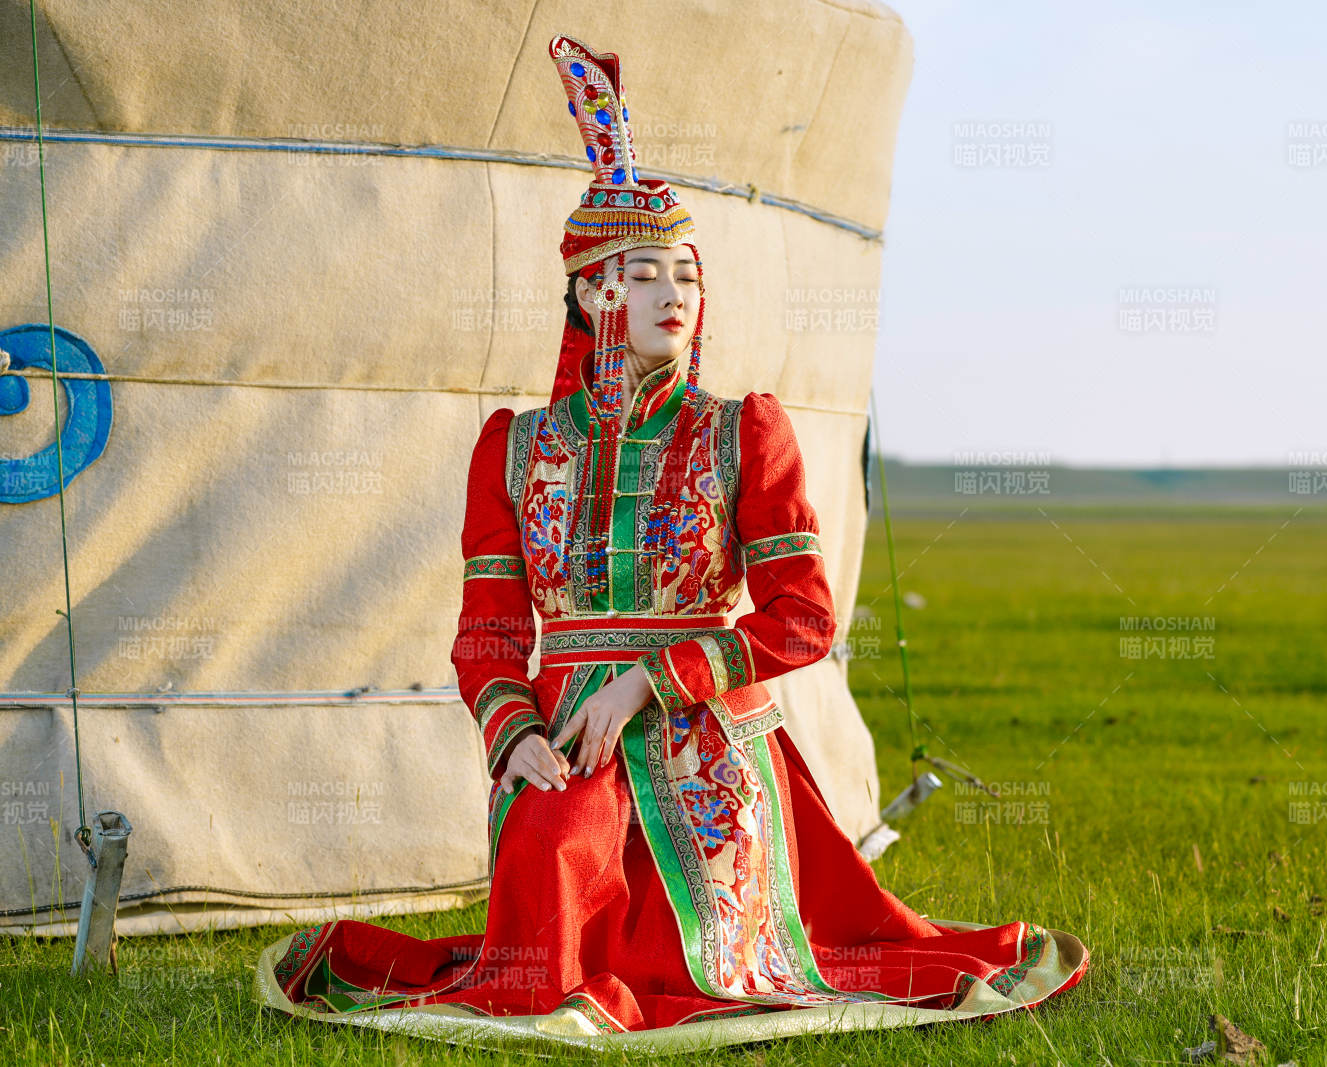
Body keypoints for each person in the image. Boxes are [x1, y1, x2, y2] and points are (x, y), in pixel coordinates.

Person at [255, 32, 1088, 1051]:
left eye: (686, 274)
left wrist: (649, 679)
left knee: (709, 953)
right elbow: (484, 630)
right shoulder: (513, 448)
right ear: (591, 293)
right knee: (552, 869)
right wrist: (512, 732)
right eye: (644, 273)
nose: (675, 295)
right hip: (564, 737)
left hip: (706, 736)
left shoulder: (744, 431)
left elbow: (805, 619)